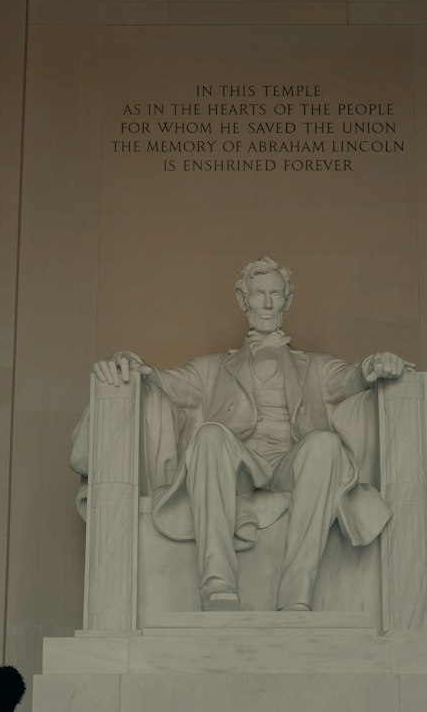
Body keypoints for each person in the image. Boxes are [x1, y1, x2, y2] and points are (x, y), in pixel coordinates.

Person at [89, 256, 410, 611]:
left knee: (325, 443)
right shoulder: (209, 368)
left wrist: (373, 366)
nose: (268, 303)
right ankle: (217, 584)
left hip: (292, 465)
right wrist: (127, 361)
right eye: (259, 295)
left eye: (276, 294)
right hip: (239, 465)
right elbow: (161, 380)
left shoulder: (316, 366)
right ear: (244, 301)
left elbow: (351, 377)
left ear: (288, 299)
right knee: (210, 434)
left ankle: (296, 595)